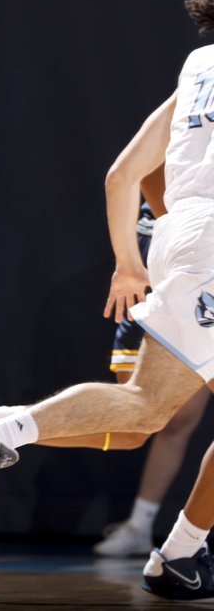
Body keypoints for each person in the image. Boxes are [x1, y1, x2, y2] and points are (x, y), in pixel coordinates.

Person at [0, 0, 214, 602]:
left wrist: (133, 263)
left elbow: (123, 175)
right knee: (144, 409)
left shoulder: (197, 68)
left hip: (182, 238)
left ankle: (179, 556)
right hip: (204, 248)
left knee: (139, 417)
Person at [93, 165, 214, 558]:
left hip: (188, 257)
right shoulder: (188, 106)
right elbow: (133, 174)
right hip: (179, 260)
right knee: (137, 418)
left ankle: (169, 542)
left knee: (161, 418)